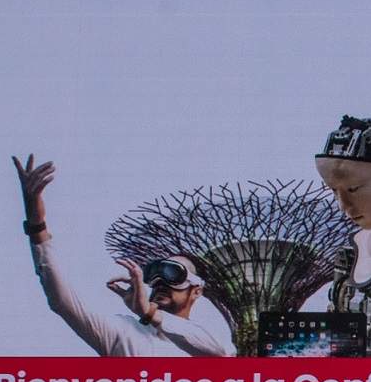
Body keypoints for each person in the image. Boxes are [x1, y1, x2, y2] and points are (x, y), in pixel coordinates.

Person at [12, 152, 232, 357]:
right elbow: (62, 300)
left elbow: (222, 354)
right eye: (154, 274)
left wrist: (149, 312)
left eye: (174, 273)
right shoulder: (123, 332)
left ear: (196, 291)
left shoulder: (208, 341)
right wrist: (36, 226)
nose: (160, 281)